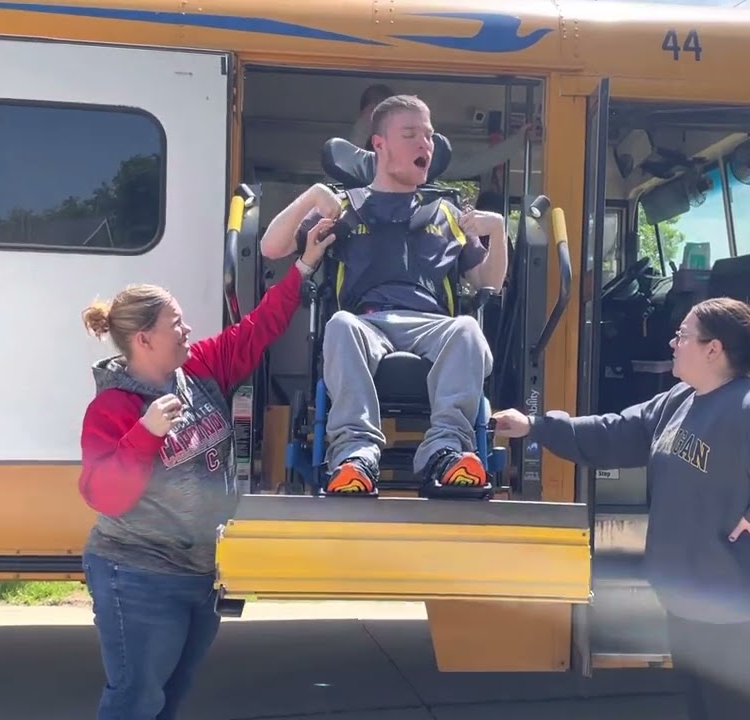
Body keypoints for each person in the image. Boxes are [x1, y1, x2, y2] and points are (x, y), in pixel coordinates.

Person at [492, 297, 750, 720]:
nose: (673, 342)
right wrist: (536, 426)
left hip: (739, 613)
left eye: (683, 335)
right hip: (688, 605)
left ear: (713, 349)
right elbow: (615, 432)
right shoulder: (680, 400)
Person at [75, 230, 334, 720]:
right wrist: (145, 434)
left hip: (201, 575)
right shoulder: (112, 406)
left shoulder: (198, 371)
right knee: (136, 699)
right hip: (137, 575)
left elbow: (257, 329)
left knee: (169, 698)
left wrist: (303, 267)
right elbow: (104, 495)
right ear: (144, 338)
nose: (188, 330)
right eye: (177, 323)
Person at [261, 93, 509, 496]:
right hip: (366, 324)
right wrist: (311, 196)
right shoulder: (345, 206)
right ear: (379, 144)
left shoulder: (447, 212)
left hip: (433, 327)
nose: (424, 145)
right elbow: (272, 248)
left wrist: (497, 231)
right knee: (340, 324)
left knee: (467, 329)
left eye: (429, 136)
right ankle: (355, 457)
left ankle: (445, 452)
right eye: (410, 134)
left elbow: (489, 285)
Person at [351, 83, 535, 182]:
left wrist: (517, 141)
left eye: (428, 135)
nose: (422, 143)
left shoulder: (422, 160)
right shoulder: (356, 168)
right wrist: (364, 125)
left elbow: (471, 165)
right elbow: (336, 176)